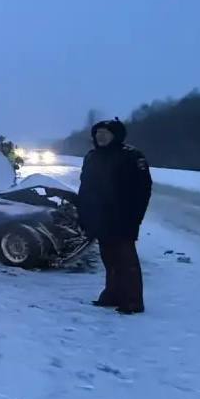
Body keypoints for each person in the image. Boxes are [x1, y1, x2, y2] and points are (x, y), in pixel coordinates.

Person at [77, 119, 152, 314]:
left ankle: (133, 301)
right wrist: (84, 215)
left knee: (127, 262)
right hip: (100, 218)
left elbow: (143, 191)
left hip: (123, 218)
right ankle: (112, 295)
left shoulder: (131, 156)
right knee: (109, 260)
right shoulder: (92, 157)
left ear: (116, 135)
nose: (100, 136)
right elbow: (85, 188)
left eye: (105, 133)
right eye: (98, 133)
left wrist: (134, 219)